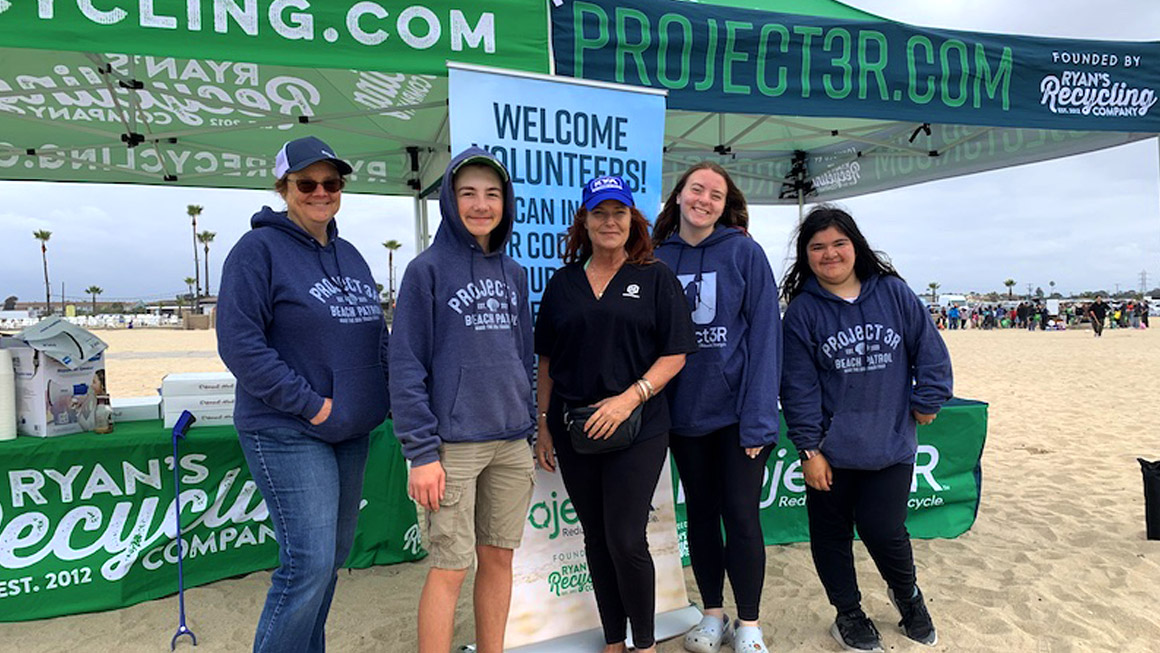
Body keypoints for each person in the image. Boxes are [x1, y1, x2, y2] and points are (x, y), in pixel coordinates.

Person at [217, 136, 390, 653]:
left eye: (331, 182)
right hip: (288, 429)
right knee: (307, 564)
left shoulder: (352, 255)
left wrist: (380, 401)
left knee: (330, 560)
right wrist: (312, 404)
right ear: (284, 188)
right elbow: (240, 347)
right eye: (307, 183)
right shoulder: (256, 251)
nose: (320, 192)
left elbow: (376, 338)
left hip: (351, 432)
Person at [534, 175, 697, 653]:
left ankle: (643, 643)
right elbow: (546, 360)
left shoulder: (655, 276)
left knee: (626, 538)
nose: (609, 221)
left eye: (619, 212)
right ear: (584, 221)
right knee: (596, 539)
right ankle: (613, 640)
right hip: (574, 428)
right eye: (599, 212)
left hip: (640, 425)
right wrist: (543, 424)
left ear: (633, 220)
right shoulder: (562, 283)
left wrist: (629, 398)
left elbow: (675, 353)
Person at [779, 205, 953, 653]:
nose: (830, 253)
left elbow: (929, 351)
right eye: (817, 247)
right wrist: (808, 450)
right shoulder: (802, 313)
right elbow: (797, 388)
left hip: (891, 445)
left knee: (884, 528)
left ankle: (908, 595)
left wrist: (928, 399)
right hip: (831, 454)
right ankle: (849, 613)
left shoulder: (893, 293)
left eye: (839, 243)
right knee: (831, 535)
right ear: (806, 256)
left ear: (855, 246)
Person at [389, 147, 535, 653]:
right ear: (450, 202)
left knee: (499, 559)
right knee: (450, 567)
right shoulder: (425, 271)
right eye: (467, 193)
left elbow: (524, 356)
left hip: (511, 442)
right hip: (453, 447)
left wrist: (530, 427)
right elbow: (405, 365)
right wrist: (421, 452)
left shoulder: (514, 274)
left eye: (492, 194)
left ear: (505, 203)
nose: (480, 204)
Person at [651, 162, 781, 653]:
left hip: (739, 418)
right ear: (680, 195)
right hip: (684, 418)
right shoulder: (657, 258)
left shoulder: (744, 253)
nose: (704, 200)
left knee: (742, 516)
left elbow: (767, 337)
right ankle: (712, 613)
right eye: (696, 189)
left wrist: (758, 419)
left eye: (716, 195)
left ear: (726, 206)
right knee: (701, 516)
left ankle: (748, 623)